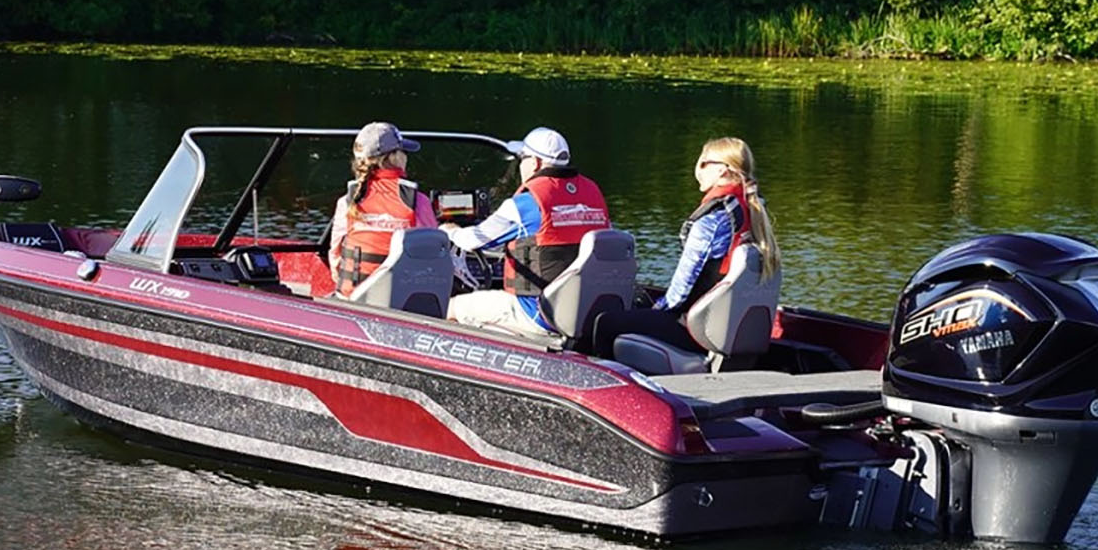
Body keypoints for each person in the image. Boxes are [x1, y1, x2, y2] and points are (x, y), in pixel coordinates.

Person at [589, 136, 781, 358]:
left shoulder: (712, 221)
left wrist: (655, 310)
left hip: (695, 330)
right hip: (729, 327)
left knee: (604, 323)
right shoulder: (753, 213)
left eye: (702, 163)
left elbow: (680, 292)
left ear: (721, 171)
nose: (697, 170)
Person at [445, 126, 611, 336]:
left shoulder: (527, 203)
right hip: (586, 311)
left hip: (537, 316)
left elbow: (473, 240)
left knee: (452, 307)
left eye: (522, 158)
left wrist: (449, 231)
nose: (520, 164)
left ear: (535, 163)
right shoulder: (593, 194)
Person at [328, 121, 438, 296]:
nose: (406, 157)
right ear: (394, 157)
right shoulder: (417, 200)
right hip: (400, 302)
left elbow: (335, 258)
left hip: (352, 298)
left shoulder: (348, 200)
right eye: (403, 151)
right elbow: (434, 253)